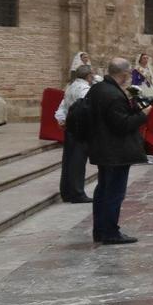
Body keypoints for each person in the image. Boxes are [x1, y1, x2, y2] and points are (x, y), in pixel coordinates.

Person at [83, 57, 149, 245]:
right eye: (128, 73)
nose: (129, 77)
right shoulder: (112, 94)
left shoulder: (98, 89)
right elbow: (122, 125)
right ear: (123, 73)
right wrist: (143, 115)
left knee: (103, 190)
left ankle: (100, 230)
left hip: (103, 148)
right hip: (115, 152)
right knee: (113, 192)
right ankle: (110, 231)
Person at [55, 62, 93, 203]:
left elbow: (63, 106)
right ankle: (77, 193)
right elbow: (85, 108)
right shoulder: (84, 89)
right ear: (88, 76)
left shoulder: (70, 87)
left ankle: (66, 191)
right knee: (78, 161)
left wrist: (62, 119)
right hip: (79, 128)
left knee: (69, 160)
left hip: (70, 127)